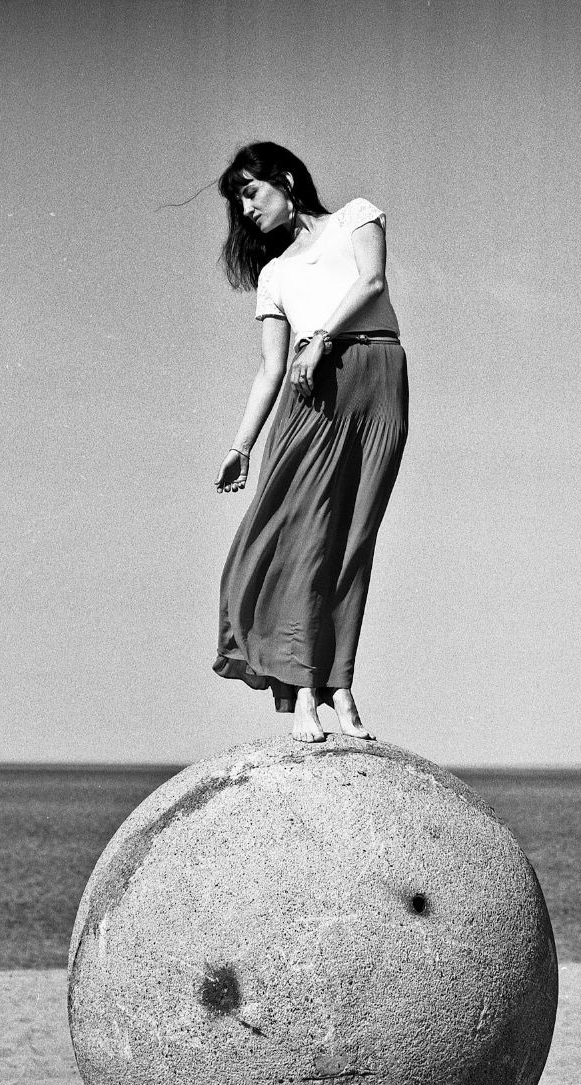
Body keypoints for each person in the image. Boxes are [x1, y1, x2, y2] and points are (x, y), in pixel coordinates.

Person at [212, 141, 407, 743]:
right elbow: (271, 368)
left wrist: (323, 335)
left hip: (378, 380)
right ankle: (302, 691)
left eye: (251, 193)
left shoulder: (356, 217)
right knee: (305, 544)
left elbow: (372, 282)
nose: (246, 210)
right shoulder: (274, 275)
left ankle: (339, 684)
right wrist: (242, 446)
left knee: (354, 542)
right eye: (239, 203)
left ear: (287, 180)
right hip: (311, 396)